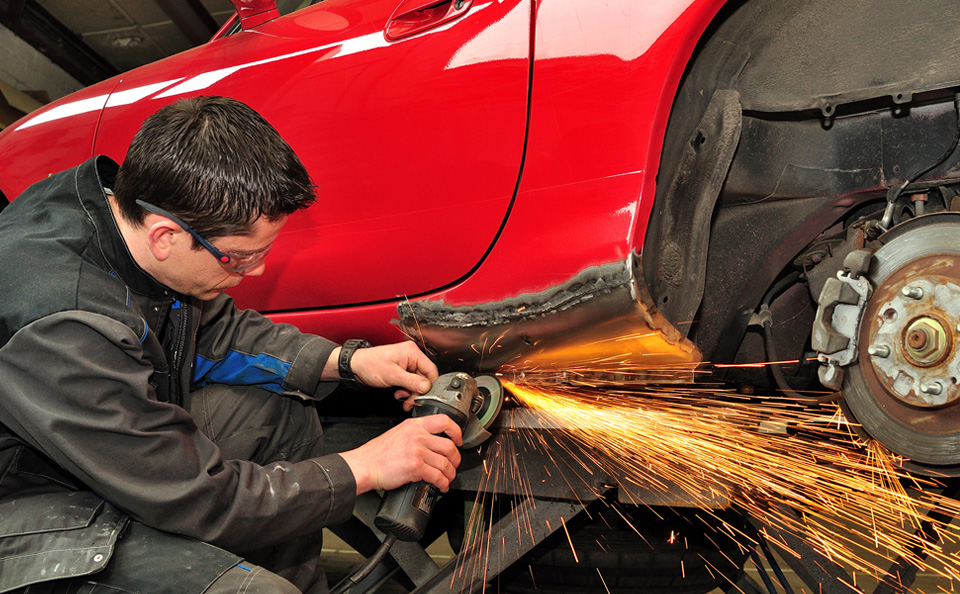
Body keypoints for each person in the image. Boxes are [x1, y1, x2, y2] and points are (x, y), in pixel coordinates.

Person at [0, 96, 463, 594]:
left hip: (103, 447)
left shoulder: (121, 216)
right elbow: (196, 497)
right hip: (29, 503)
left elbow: (213, 331)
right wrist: (366, 466)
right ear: (165, 236)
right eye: (239, 258)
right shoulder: (63, 324)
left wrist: (346, 361)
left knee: (278, 410)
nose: (256, 271)